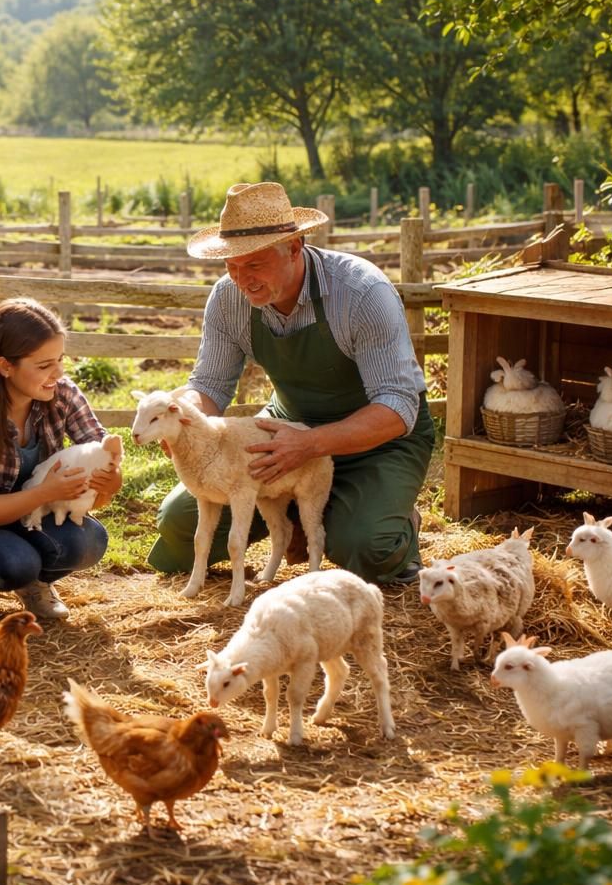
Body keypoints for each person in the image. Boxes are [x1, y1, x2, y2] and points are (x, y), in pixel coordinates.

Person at [147, 182, 434, 586]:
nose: (242, 280)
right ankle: (300, 509)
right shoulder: (228, 298)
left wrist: (311, 444)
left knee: (366, 545)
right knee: (179, 521)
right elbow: (209, 384)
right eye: (231, 266)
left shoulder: (361, 292)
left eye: (254, 264)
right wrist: (188, 420)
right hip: (285, 430)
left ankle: (383, 516)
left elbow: (398, 406)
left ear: (294, 247)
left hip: (378, 441)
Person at [0, 298, 122, 620]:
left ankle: (35, 583)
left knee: (90, 542)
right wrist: (47, 492)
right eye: (44, 365)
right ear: (5, 366)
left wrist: (110, 479)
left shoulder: (63, 394)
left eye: (60, 360)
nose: (58, 372)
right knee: (14, 565)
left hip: (29, 513)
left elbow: (102, 451)